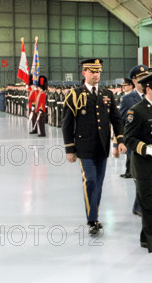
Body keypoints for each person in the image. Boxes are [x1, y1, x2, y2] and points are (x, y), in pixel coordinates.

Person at [62, 58, 126, 235]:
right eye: (92, 71)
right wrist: (70, 149)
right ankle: (92, 219)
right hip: (84, 147)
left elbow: (116, 118)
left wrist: (120, 140)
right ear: (84, 73)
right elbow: (67, 124)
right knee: (90, 181)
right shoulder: (74, 94)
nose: (96, 74)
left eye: (98, 71)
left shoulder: (107, 94)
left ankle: (94, 215)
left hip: (102, 147)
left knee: (98, 183)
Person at [123, 71, 152, 263]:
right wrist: (145, 149)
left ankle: (145, 237)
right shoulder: (137, 110)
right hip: (143, 165)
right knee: (147, 205)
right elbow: (129, 138)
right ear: (149, 89)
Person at [119, 65, 149, 182]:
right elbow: (122, 121)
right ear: (134, 81)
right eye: (140, 78)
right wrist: (120, 141)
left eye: (146, 77)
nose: (144, 81)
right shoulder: (127, 99)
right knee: (141, 180)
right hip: (135, 143)